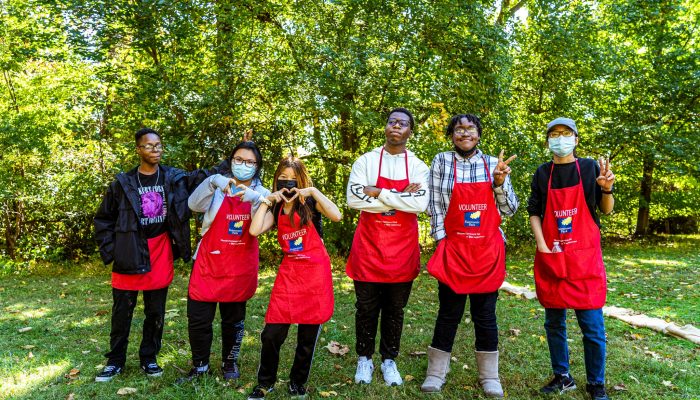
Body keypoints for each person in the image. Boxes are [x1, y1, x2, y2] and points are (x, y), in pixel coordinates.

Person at [93, 128, 223, 382]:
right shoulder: (123, 183)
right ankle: (115, 361)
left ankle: (149, 358)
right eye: (150, 146)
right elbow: (103, 219)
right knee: (123, 311)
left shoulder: (173, 178)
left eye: (159, 145)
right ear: (138, 149)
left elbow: (203, 176)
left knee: (156, 312)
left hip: (159, 251)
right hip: (129, 252)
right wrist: (113, 252)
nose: (156, 150)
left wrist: (232, 159)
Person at [421, 114, 518, 398]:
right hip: (454, 249)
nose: (465, 133)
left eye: (470, 128)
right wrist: (443, 244)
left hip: (487, 251)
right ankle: (436, 373)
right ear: (452, 135)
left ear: (478, 134)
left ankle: (490, 376)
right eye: (459, 129)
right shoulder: (441, 161)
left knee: (485, 314)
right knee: (448, 313)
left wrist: (499, 182)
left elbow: (509, 209)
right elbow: (435, 206)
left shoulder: (492, 164)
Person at [528, 117, 615, 400]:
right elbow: (535, 212)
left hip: (584, 258)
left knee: (592, 326)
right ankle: (562, 376)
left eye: (566, 133)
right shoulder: (543, 173)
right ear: (548, 141)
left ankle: (596, 384)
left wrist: (606, 189)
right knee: (554, 322)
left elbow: (606, 210)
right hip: (552, 255)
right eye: (554, 134)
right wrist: (541, 245)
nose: (560, 138)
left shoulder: (590, 168)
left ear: (576, 139)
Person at [346, 107, 429, 386]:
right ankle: (364, 359)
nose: (396, 126)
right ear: (385, 127)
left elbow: (420, 204)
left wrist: (379, 192)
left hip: (401, 251)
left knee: (395, 309)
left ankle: (389, 360)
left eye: (403, 123)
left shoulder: (418, 166)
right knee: (366, 308)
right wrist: (400, 196)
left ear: (410, 131)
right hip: (368, 248)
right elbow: (354, 199)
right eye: (392, 121)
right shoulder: (366, 161)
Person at [246, 155, 342, 399]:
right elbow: (255, 230)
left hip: (315, 273)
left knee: (307, 336)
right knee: (271, 334)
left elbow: (336, 215)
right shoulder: (276, 205)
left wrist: (312, 190)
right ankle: (264, 383)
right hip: (290, 273)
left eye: (293, 179)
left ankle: (297, 382)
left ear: (301, 179)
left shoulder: (310, 201)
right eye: (283, 178)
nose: (287, 183)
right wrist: (267, 200)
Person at [177, 139, 271, 383]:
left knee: (233, 319)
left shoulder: (263, 194)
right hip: (208, 260)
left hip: (239, 264)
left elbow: (261, 229)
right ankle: (200, 365)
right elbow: (193, 205)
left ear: (258, 166)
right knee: (198, 317)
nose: (244, 165)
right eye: (239, 160)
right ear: (231, 161)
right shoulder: (218, 186)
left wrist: (255, 200)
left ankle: (230, 362)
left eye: (250, 162)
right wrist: (211, 182)